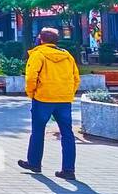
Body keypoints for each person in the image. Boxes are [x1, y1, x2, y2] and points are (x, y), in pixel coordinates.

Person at [18, 27, 80, 180]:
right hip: (64, 99)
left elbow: (31, 77)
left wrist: (32, 93)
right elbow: (76, 78)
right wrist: (68, 93)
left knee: (38, 131)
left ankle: (34, 163)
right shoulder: (67, 56)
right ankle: (68, 169)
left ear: (41, 39)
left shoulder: (38, 55)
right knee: (67, 134)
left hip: (43, 98)